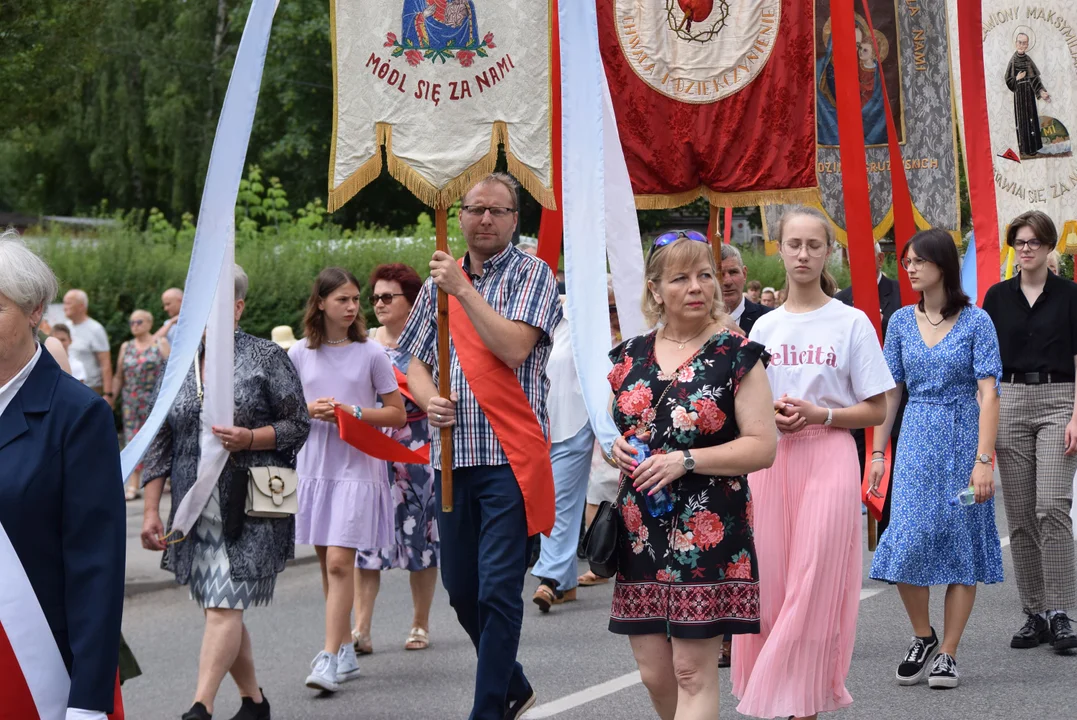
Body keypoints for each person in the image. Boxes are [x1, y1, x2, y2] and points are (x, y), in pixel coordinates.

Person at [399, 173, 562, 720]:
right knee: (461, 590)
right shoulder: (434, 287)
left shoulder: (532, 273)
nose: (485, 219)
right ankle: (512, 683)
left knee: (497, 590)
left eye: (497, 211)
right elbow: (414, 361)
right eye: (475, 210)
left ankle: (488, 709)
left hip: (508, 458)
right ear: (461, 215)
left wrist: (464, 291)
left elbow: (515, 348)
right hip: (450, 459)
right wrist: (428, 399)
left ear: (516, 220)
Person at [606, 231, 777, 719]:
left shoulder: (736, 354)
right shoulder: (628, 357)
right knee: (655, 674)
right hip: (640, 527)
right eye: (681, 278)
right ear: (656, 289)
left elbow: (763, 446)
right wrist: (617, 449)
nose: (698, 286)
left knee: (691, 673)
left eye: (706, 275)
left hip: (709, 525)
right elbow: (625, 428)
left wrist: (686, 460)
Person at [733, 206, 893, 720]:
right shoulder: (761, 328)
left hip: (828, 459)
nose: (803, 254)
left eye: (814, 245)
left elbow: (878, 406)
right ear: (779, 248)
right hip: (770, 464)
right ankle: (784, 701)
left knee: (813, 581)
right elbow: (738, 402)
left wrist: (820, 412)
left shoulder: (852, 322)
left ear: (829, 253)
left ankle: (797, 703)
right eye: (794, 244)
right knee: (774, 586)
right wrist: (767, 417)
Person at [140, 265, 311, 720]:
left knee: (223, 605)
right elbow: (160, 442)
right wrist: (151, 510)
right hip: (196, 507)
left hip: (255, 500)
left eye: (213, 305)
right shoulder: (178, 364)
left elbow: (299, 425)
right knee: (220, 606)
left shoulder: (266, 356)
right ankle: (255, 702)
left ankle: (201, 706)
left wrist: (251, 438)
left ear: (237, 308)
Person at [868, 229, 1004, 689]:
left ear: (942, 264)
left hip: (965, 439)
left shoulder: (976, 321)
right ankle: (922, 635)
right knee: (907, 538)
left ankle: (948, 652)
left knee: (961, 540)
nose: (908, 267)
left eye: (917, 260)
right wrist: (878, 451)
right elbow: (891, 390)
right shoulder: (901, 322)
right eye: (905, 260)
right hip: (917, 441)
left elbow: (989, 394)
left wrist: (983, 460)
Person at [0, 233, 126, 720]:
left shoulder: (77, 415)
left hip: (37, 676)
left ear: (35, 311)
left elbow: (97, 568)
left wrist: (88, 704)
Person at [288, 267, 406, 692]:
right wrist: (310, 409)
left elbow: (395, 413)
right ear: (319, 302)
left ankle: (326, 657)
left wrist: (352, 411)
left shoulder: (371, 353)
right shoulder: (299, 353)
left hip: (358, 465)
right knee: (328, 564)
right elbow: (285, 414)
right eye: (343, 299)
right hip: (316, 465)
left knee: (341, 562)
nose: (353, 306)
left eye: (356, 299)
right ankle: (342, 650)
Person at [983, 210, 1077, 653]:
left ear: (1048, 246)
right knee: (1020, 515)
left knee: (1051, 505)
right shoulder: (996, 297)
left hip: (1061, 398)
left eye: (1034, 242)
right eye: (1019, 242)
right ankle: (1034, 613)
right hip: (1010, 399)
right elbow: (983, 364)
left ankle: (1062, 612)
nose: (1025, 249)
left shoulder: (1071, 295)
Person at [356, 263, 441, 652]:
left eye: (388, 297)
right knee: (364, 543)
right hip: (372, 454)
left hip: (417, 453)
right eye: (374, 297)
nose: (378, 304)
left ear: (412, 302)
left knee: (422, 541)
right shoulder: (362, 343)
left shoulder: (430, 343)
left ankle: (420, 624)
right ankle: (361, 629)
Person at [835, 241, 906, 534]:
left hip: (894, 399)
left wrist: (881, 322)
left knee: (895, 477)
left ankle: (893, 538)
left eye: (867, 256)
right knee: (863, 475)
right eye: (853, 257)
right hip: (854, 401)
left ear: (880, 258)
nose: (860, 262)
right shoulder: (839, 301)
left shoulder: (901, 293)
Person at [530, 309, 594, 612]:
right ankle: (567, 582)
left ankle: (550, 577)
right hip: (537, 425)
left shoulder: (583, 317)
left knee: (560, 501)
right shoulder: (531, 320)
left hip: (575, 421)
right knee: (549, 499)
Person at [114, 309, 170, 501]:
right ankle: (133, 484)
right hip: (131, 400)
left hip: (154, 400)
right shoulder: (126, 346)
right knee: (132, 438)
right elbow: (119, 375)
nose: (134, 326)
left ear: (149, 323)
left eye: (138, 322)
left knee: (156, 439)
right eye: (132, 322)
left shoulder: (160, 344)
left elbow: (171, 372)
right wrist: (111, 398)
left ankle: (158, 480)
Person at [63, 288, 113, 402]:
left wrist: (108, 394)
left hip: (90, 390)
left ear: (81, 306)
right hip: (67, 389)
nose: (64, 307)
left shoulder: (95, 329)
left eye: (68, 303)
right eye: (64, 303)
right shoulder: (65, 327)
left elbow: (105, 364)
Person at [1005, 32, 1051, 158]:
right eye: (1020, 42)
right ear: (1016, 43)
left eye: (1024, 43)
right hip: (1019, 94)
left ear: (1027, 45)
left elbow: (1035, 79)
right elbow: (1008, 80)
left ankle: (1034, 148)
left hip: (1029, 94)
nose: (1022, 45)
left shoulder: (1028, 60)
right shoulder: (1013, 60)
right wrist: (1017, 78)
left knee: (1031, 118)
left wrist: (1041, 92)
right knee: (1022, 120)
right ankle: (1024, 148)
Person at [719, 244, 771, 335]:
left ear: (744, 274)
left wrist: (739, 335)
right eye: (719, 274)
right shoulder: (694, 323)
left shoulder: (768, 318)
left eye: (733, 272)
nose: (727, 282)